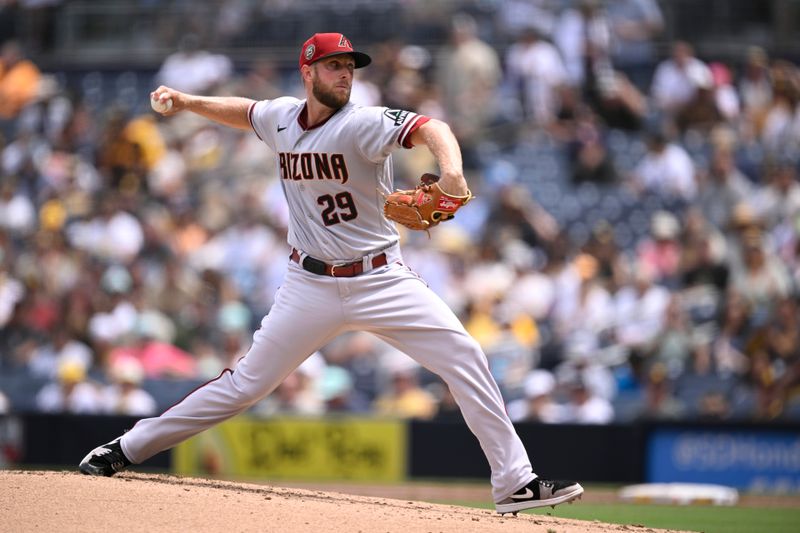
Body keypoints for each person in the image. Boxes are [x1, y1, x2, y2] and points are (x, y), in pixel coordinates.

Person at [78, 32, 583, 514]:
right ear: (308, 71)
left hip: (380, 277)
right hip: (309, 285)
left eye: (349, 67)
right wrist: (188, 101)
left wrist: (451, 171)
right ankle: (128, 447)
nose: (345, 75)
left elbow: (432, 127)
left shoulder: (362, 122)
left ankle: (515, 482)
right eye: (334, 66)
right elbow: (245, 111)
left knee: (465, 354)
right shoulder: (281, 117)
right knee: (245, 385)